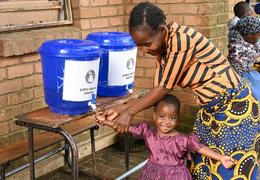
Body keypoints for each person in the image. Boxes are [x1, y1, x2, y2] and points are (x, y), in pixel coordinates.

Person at [96, 2, 259, 179]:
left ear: (162, 30)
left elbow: (164, 88)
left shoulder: (182, 39)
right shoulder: (162, 50)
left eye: (147, 44)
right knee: (201, 166)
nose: (144, 50)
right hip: (210, 111)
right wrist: (119, 110)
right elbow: (157, 91)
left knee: (230, 168)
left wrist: (128, 112)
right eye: (139, 46)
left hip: (234, 108)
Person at [97, 95, 235, 180]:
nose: (166, 122)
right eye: (162, 116)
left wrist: (221, 157)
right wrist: (106, 122)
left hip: (176, 176)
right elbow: (125, 129)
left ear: (177, 119)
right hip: (152, 174)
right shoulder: (147, 132)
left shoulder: (183, 139)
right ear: (154, 116)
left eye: (172, 118)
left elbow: (200, 148)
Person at [228, 16, 260, 101]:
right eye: (258, 34)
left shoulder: (245, 42)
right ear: (249, 35)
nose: (259, 36)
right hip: (242, 81)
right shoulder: (238, 50)